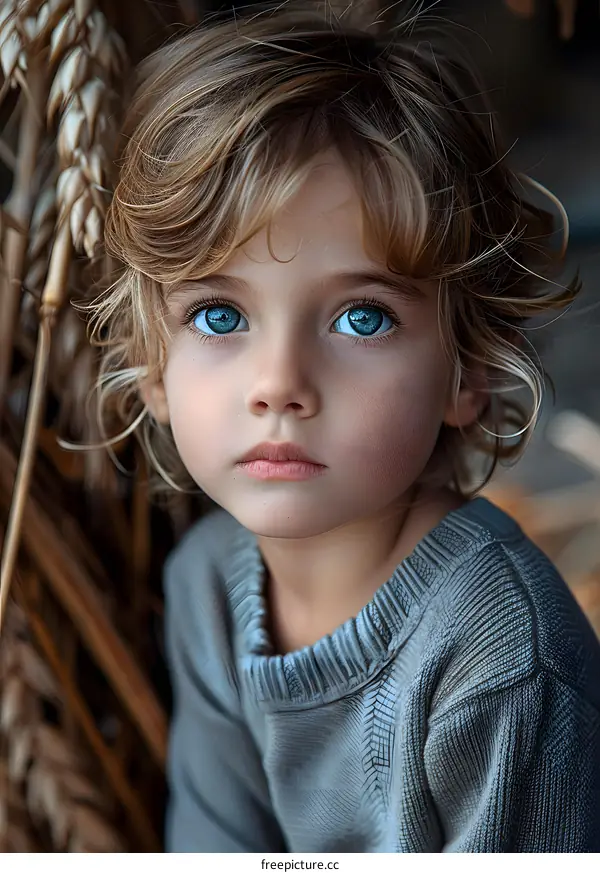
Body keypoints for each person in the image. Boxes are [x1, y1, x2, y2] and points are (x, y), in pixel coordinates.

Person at [89, 2, 600, 852]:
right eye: (219, 316)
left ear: (467, 370)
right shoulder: (208, 587)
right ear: (153, 370)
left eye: (361, 319)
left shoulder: (503, 653)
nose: (280, 385)